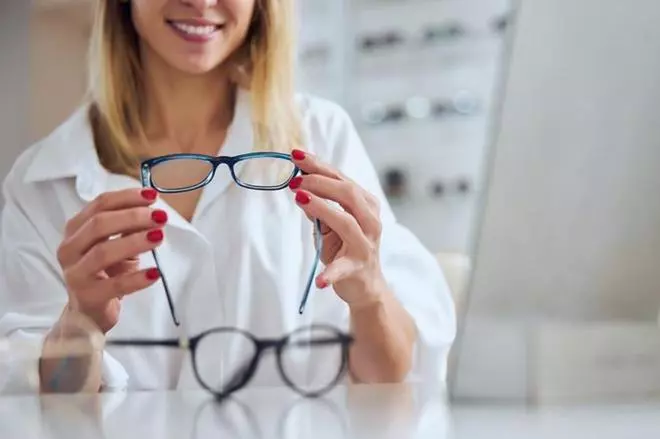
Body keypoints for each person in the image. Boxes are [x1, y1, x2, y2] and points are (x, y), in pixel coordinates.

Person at [0, 0, 455, 394]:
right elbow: (41, 412)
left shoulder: (322, 136)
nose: (201, 2)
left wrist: (369, 295)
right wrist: (80, 323)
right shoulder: (43, 182)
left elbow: (392, 386)